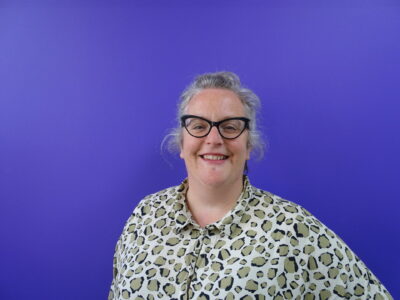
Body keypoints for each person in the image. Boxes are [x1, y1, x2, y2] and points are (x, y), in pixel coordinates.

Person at [109, 72, 392, 299]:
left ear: (249, 145)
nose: (214, 138)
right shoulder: (145, 216)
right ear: (182, 143)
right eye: (198, 126)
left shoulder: (292, 229)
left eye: (230, 126)